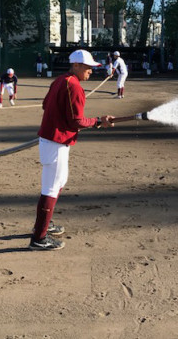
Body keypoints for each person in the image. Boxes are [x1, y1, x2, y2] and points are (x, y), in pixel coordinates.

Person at [30, 49, 114, 250]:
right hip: (56, 142)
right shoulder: (73, 85)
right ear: (76, 65)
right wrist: (98, 122)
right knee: (50, 188)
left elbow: (45, 105)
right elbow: (76, 121)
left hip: (56, 140)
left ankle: (44, 223)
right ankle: (38, 238)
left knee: (59, 181)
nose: (90, 71)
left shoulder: (61, 80)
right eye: (87, 67)